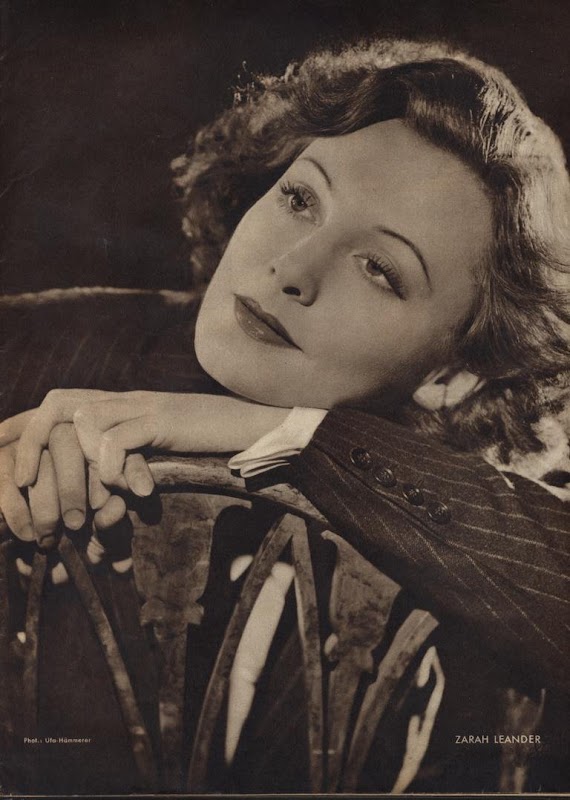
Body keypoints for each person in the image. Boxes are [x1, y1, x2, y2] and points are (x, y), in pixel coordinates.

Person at [0, 38, 568, 792]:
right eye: (300, 199)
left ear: (452, 375)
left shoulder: (457, 525)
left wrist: (291, 436)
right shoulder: (32, 347)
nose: (294, 269)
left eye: (380, 268)